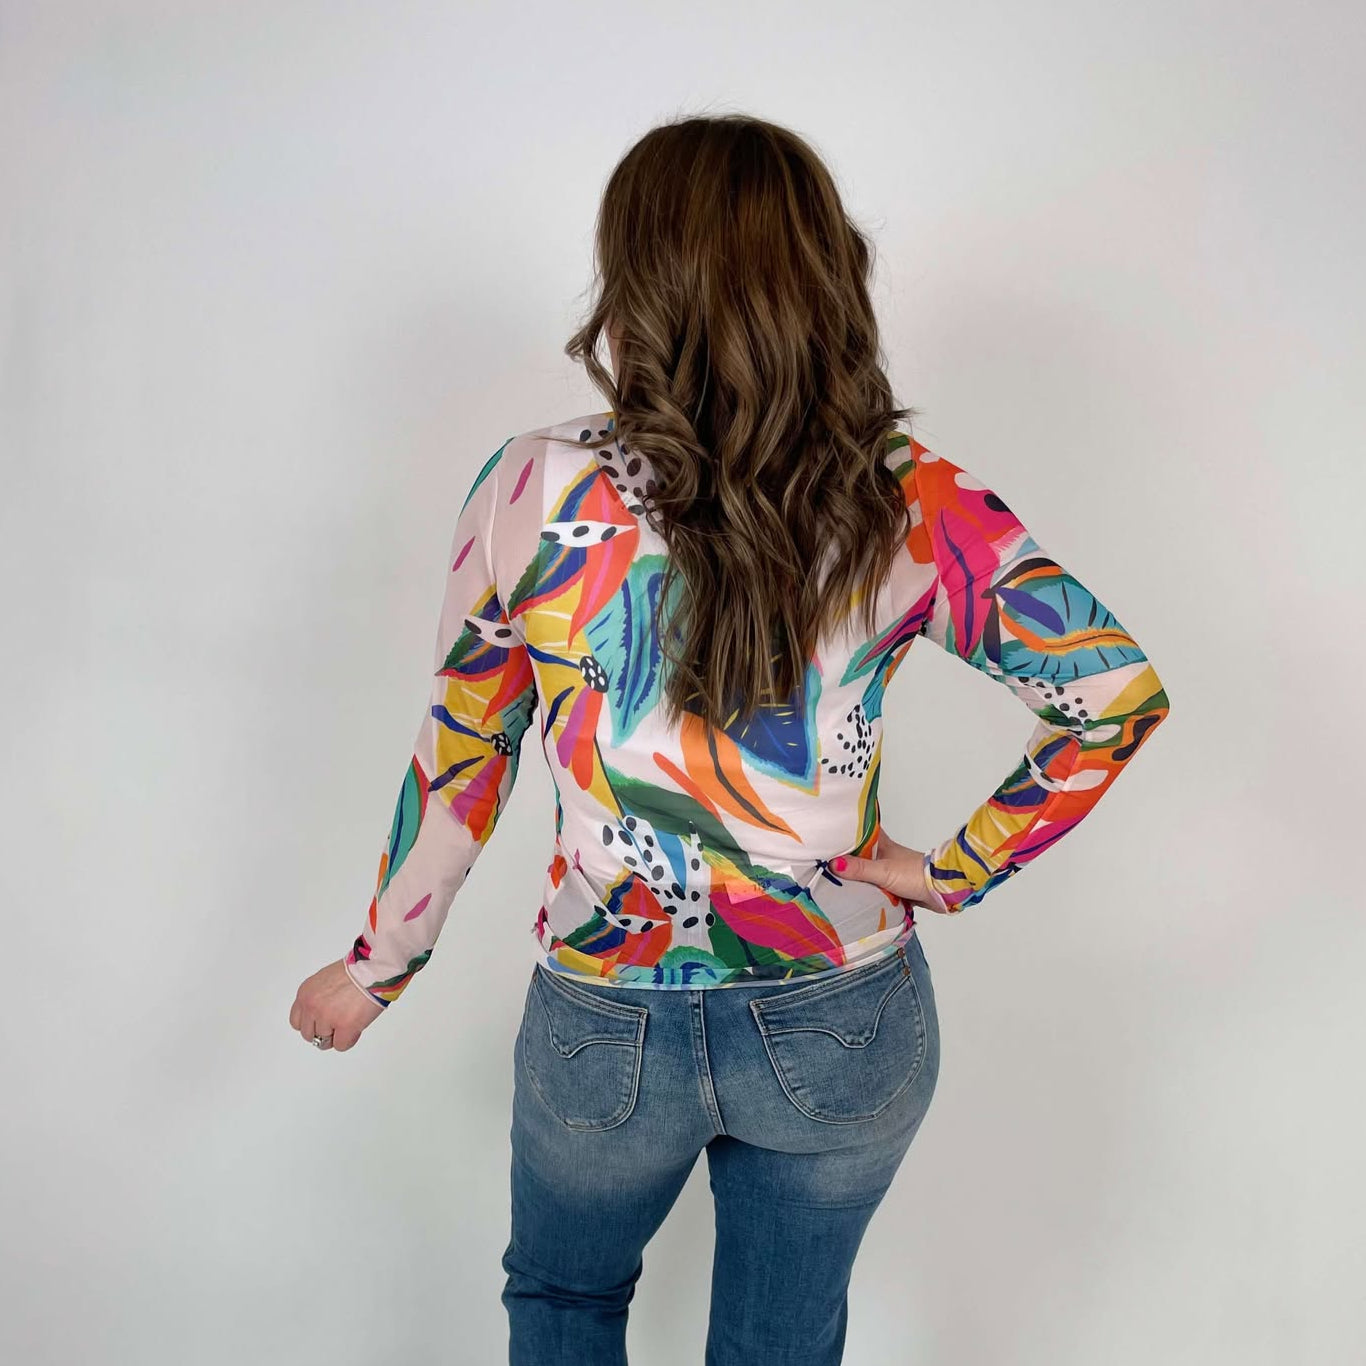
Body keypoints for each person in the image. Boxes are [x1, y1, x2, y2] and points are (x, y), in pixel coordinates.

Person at [290, 113, 1171, 1365]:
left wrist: (378, 966)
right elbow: (1112, 692)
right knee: (778, 1344)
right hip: (843, 1010)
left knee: (565, 1299)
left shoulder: (531, 487)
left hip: (606, 1018)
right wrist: (955, 869)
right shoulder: (908, 494)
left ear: (636, 282)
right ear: (824, 272)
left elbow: (466, 749)